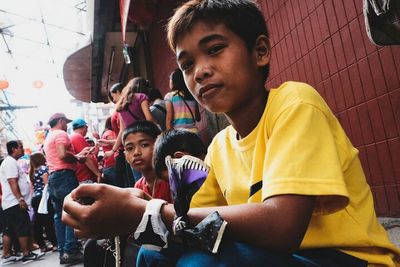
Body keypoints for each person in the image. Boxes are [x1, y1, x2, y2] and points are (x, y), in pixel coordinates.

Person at [62, 1, 400, 266]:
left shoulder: (295, 103)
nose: (201, 72)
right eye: (187, 64)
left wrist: (149, 212)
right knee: (151, 255)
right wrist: (131, 211)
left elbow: (283, 227)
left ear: (260, 51)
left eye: (214, 49)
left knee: (199, 263)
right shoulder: (220, 147)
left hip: (347, 259)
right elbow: (190, 225)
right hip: (280, 258)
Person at [43, 112, 89, 265]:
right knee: (71, 211)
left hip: (54, 177)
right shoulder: (61, 134)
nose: (67, 125)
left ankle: (64, 251)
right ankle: (71, 251)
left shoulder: (48, 137)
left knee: (59, 216)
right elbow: (63, 154)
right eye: (66, 122)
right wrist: (77, 158)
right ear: (61, 121)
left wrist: (76, 155)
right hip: (65, 175)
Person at [105, 77, 156, 185]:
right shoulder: (142, 97)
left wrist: (113, 151)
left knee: (139, 180)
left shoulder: (121, 106)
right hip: (144, 139)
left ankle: (142, 199)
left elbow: (122, 131)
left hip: (130, 144)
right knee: (153, 174)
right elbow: (149, 118)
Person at [0, 141, 42, 264]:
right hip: (14, 202)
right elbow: (12, 181)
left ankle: (7, 255)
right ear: (14, 149)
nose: (23, 149)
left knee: (10, 229)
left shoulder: (11, 162)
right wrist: (20, 199)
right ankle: (26, 253)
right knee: (22, 227)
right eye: (21, 147)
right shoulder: (9, 162)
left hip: (12, 202)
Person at [122, 121, 171, 202]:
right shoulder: (138, 186)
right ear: (125, 155)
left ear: (159, 146)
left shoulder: (170, 180)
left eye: (144, 145)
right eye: (130, 148)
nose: (136, 152)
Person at [28, 152, 58, 252]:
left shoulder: (32, 171)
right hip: (44, 197)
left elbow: (32, 188)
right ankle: (55, 244)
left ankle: (42, 245)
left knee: (38, 223)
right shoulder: (44, 169)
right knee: (48, 222)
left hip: (35, 198)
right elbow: (46, 185)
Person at [165, 68, 201, 133]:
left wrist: (168, 136)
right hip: (194, 134)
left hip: (180, 135)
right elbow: (198, 118)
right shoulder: (192, 95)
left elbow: (169, 119)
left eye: (170, 79)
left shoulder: (170, 96)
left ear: (174, 81)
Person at [70, 118, 102, 184]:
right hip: (85, 177)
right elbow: (86, 158)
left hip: (84, 177)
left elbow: (92, 155)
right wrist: (98, 174)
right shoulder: (77, 137)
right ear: (85, 127)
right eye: (87, 127)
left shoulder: (74, 137)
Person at [99, 117, 117, 186]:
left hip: (109, 166)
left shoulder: (106, 132)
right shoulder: (109, 133)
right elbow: (117, 143)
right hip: (112, 166)